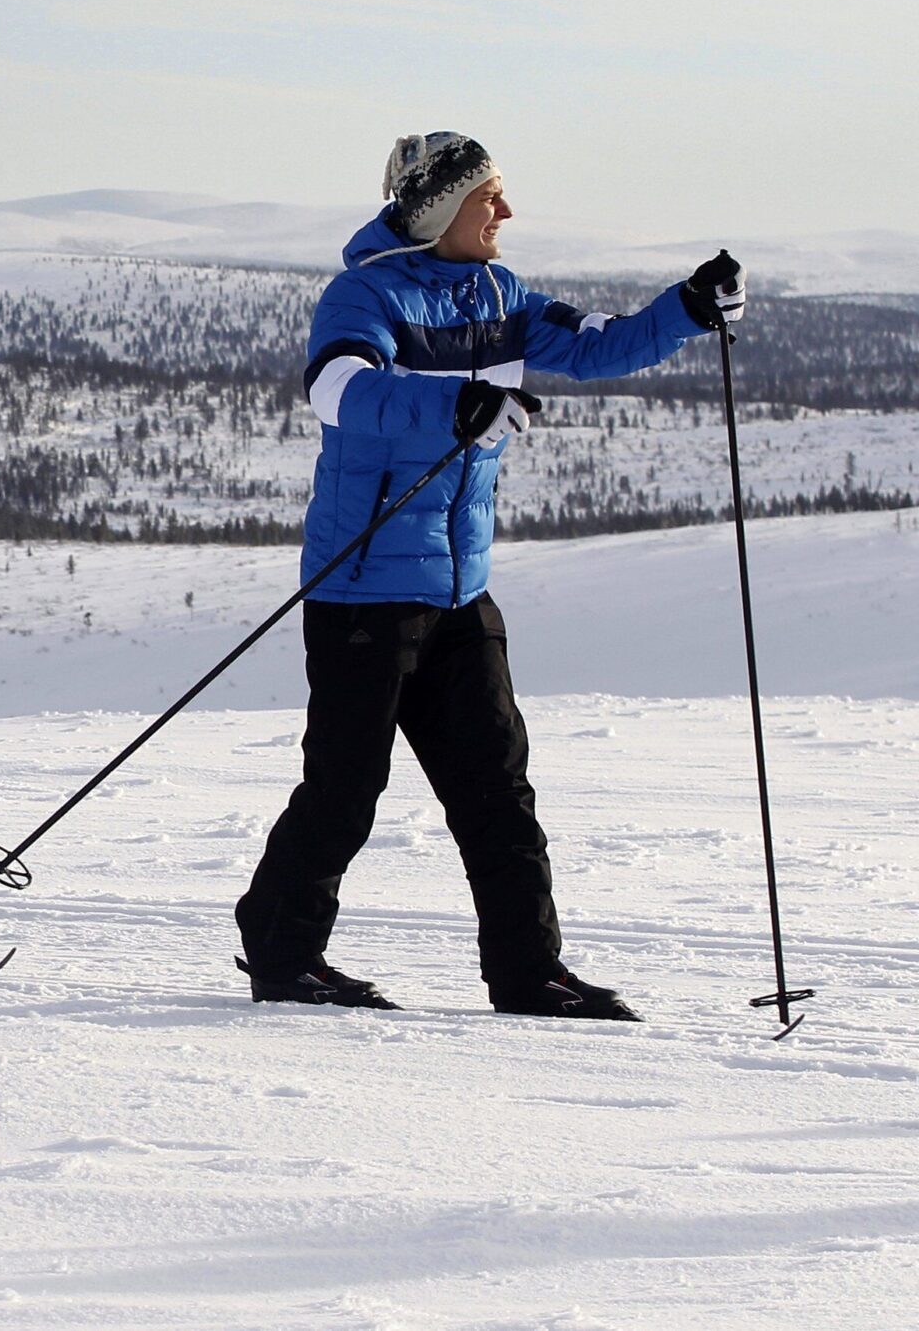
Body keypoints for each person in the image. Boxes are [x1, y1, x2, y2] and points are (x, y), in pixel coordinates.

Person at [233, 133, 746, 1019]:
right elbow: (338, 390)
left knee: (498, 791)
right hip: (363, 592)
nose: (505, 211)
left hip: (460, 592)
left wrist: (688, 309)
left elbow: (599, 346)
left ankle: (528, 973)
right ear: (440, 209)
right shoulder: (365, 296)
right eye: (488, 197)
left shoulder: (500, 294)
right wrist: (457, 402)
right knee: (345, 791)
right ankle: (282, 956)